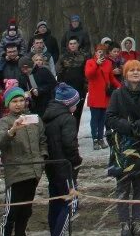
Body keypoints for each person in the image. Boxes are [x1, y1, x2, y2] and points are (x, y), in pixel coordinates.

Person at [106, 60, 140, 236]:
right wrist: (126, 126)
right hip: (123, 144)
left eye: (138, 70)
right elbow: (110, 117)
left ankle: (136, 222)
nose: (136, 73)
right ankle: (123, 223)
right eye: (132, 70)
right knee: (122, 185)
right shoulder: (117, 94)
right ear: (125, 74)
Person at [0, 87, 46, 236]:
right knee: (11, 212)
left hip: (34, 172)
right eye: (14, 101)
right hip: (16, 174)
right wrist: (13, 130)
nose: (18, 104)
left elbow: (42, 141)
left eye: (21, 100)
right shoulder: (4, 122)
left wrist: (42, 160)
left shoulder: (35, 119)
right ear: (8, 104)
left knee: (25, 211)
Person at [42, 85, 82, 236]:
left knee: (56, 201)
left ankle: (54, 231)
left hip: (52, 167)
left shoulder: (48, 117)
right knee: (72, 202)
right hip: (65, 167)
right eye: (76, 103)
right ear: (69, 104)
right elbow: (69, 144)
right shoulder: (68, 119)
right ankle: (59, 233)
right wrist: (76, 160)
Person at [84, 45, 116, 151]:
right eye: (98, 51)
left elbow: (111, 78)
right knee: (95, 118)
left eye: (102, 52)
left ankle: (101, 138)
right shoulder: (90, 62)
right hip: (94, 95)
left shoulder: (109, 63)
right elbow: (88, 75)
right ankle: (95, 139)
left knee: (102, 119)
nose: (100, 53)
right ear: (95, 52)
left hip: (105, 95)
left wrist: (121, 87)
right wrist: (96, 64)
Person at [56, 37, 88, 133]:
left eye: (74, 43)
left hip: (80, 88)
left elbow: (86, 73)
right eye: (71, 43)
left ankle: (75, 136)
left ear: (78, 44)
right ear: (68, 45)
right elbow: (59, 72)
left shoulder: (84, 56)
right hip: (67, 89)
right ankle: (67, 135)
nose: (73, 45)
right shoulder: (63, 57)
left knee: (78, 113)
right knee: (66, 113)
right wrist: (61, 86)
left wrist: (86, 87)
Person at [27, 52, 56, 118]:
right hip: (36, 100)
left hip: (46, 99)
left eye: (40, 60)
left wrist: (40, 90)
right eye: (36, 60)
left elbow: (53, 84)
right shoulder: (31, 73)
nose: (38, 62)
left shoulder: (45, 70)